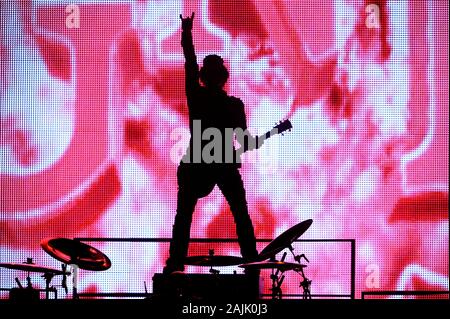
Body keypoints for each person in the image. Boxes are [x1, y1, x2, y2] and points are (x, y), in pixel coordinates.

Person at [163, 13, 262, 274]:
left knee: (184, 217)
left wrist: (187, 34)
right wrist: (259, 140)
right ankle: (251, 262)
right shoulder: (233, 105)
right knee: (240, 214)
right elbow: (245, 141)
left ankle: (175, 264)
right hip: (220, 163)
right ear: (223, 78)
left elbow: (189, 63)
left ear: (204, 77)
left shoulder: (197, 96)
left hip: (197, 162)